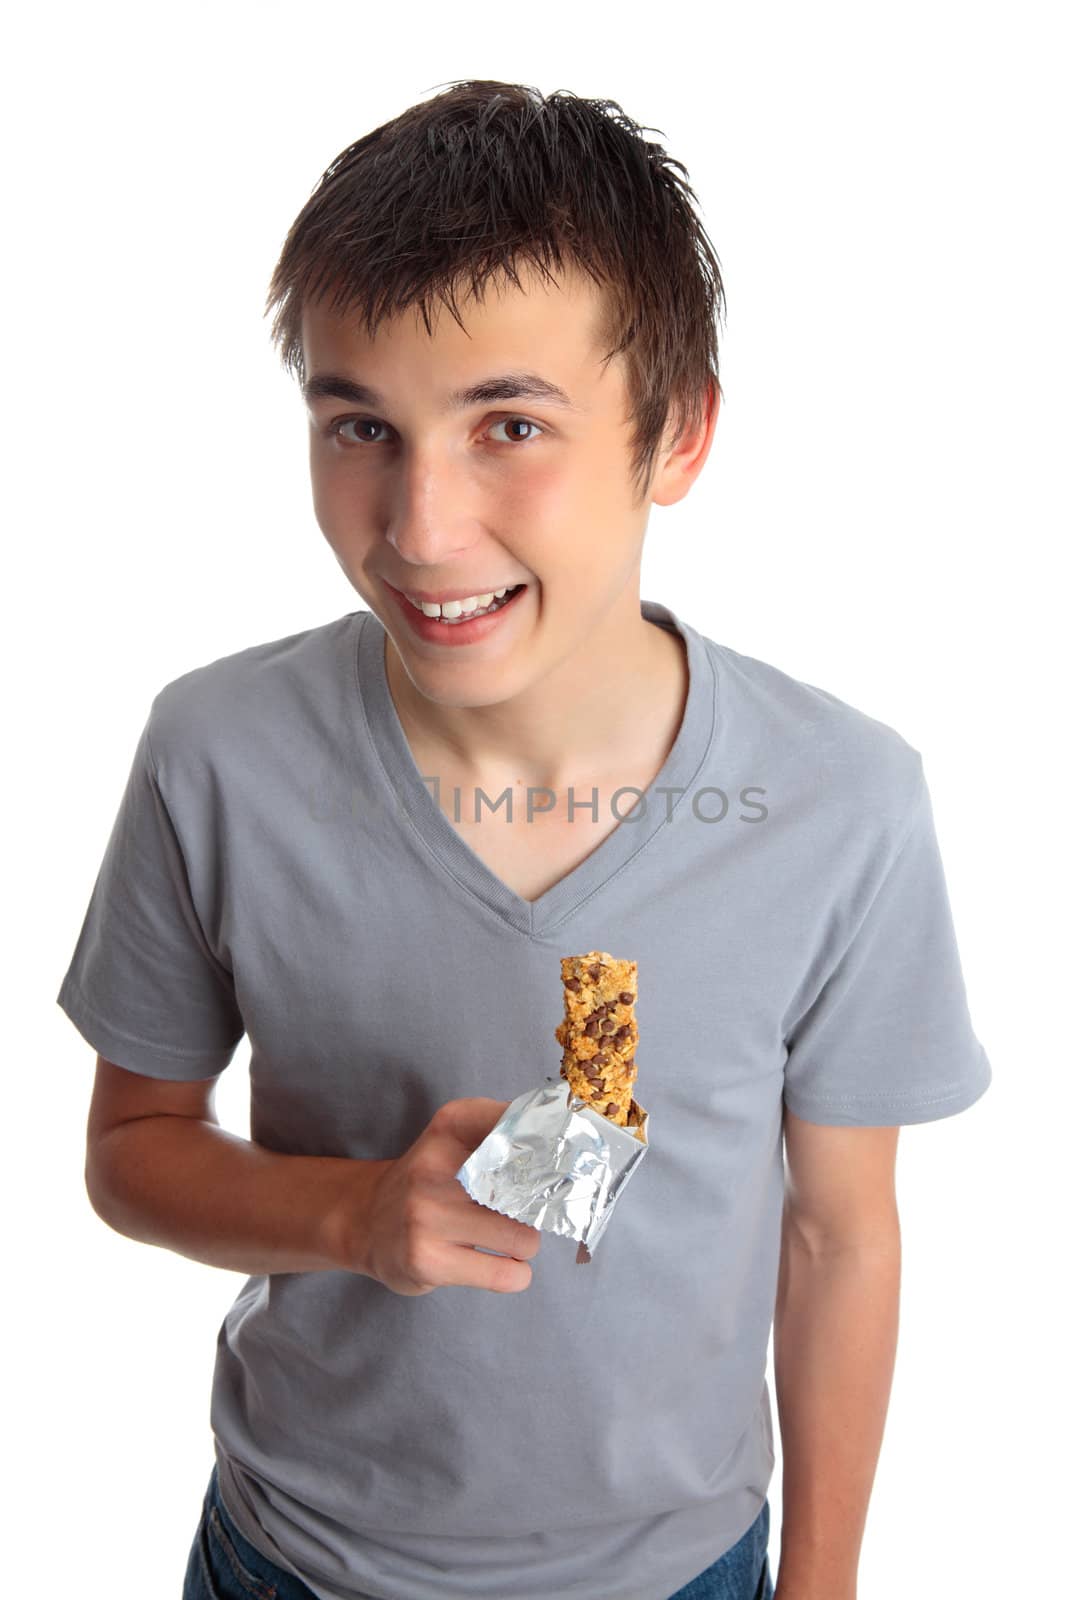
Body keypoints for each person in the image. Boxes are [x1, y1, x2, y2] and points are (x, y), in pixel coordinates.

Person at [58, 79, 992, 1600]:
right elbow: (131, 1151)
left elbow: (840, 1242)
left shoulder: (843, 803)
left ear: (675, 435)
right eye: (359, 424)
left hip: (679, 1569)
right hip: (294, 1555)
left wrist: (821, 1588)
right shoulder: (215, 752)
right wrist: (355, 1213)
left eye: (511, 426)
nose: (419, 527)